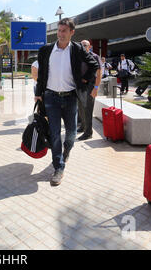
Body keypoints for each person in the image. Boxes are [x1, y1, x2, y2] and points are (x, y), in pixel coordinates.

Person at [35, 18, 99, 187]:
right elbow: (41, 74)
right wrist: (38, 94)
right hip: (51, 98)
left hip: (71, 98)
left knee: (70, 133)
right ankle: (58, 168)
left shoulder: (77, 49)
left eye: (64, 31)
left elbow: (93, 65)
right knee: (55, 133)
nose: (60, 34)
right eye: (59, 30)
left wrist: (85, 80)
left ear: (72, 32)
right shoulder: (46, 50)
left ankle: (67, 150)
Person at [77, 40, 102, 141]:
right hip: (80, 85)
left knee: (88, 109)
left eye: (85, 45)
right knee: (81, 107)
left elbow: (99, 73)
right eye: (81, 45)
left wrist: (96, 88)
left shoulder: (95, 57)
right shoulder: (78, 56)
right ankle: (83, 126)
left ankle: (88, 132)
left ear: (89, 47)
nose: (83, 47)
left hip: (90, 85)